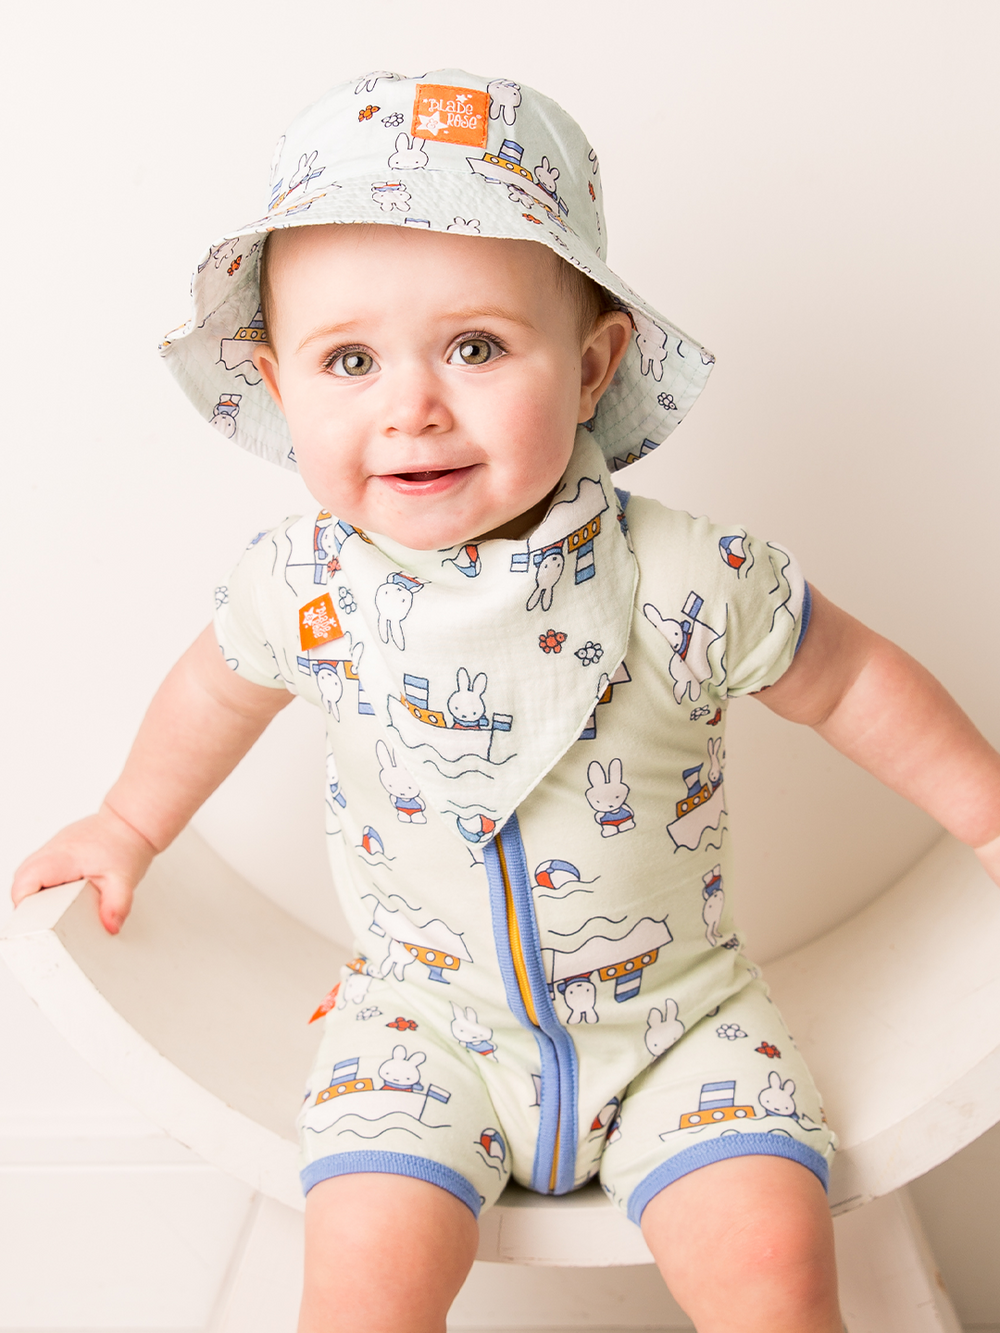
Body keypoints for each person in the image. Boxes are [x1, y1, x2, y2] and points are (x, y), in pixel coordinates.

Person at [11, 68, 1000, 1333]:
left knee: (773, 1269)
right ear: (278, 385)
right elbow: (213, 690)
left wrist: (984, 813)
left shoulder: (686, 575)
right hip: (421, 1025)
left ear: (591, 367)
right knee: (360, 1283)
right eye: (349, 359)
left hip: (679, 1023)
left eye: (474, 347)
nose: (411, 406)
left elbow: (850, 679)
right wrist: (127, 822)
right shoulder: (303, 586)